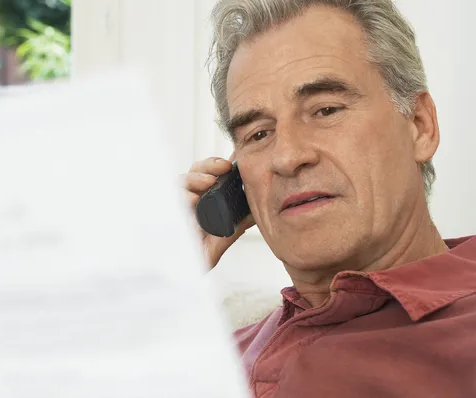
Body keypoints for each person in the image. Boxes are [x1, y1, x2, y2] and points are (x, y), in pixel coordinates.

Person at [182, 0, 476, 397]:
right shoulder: (208, 361)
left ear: (420, 126)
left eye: (325, 110)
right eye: (258, 134)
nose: (287, 157)